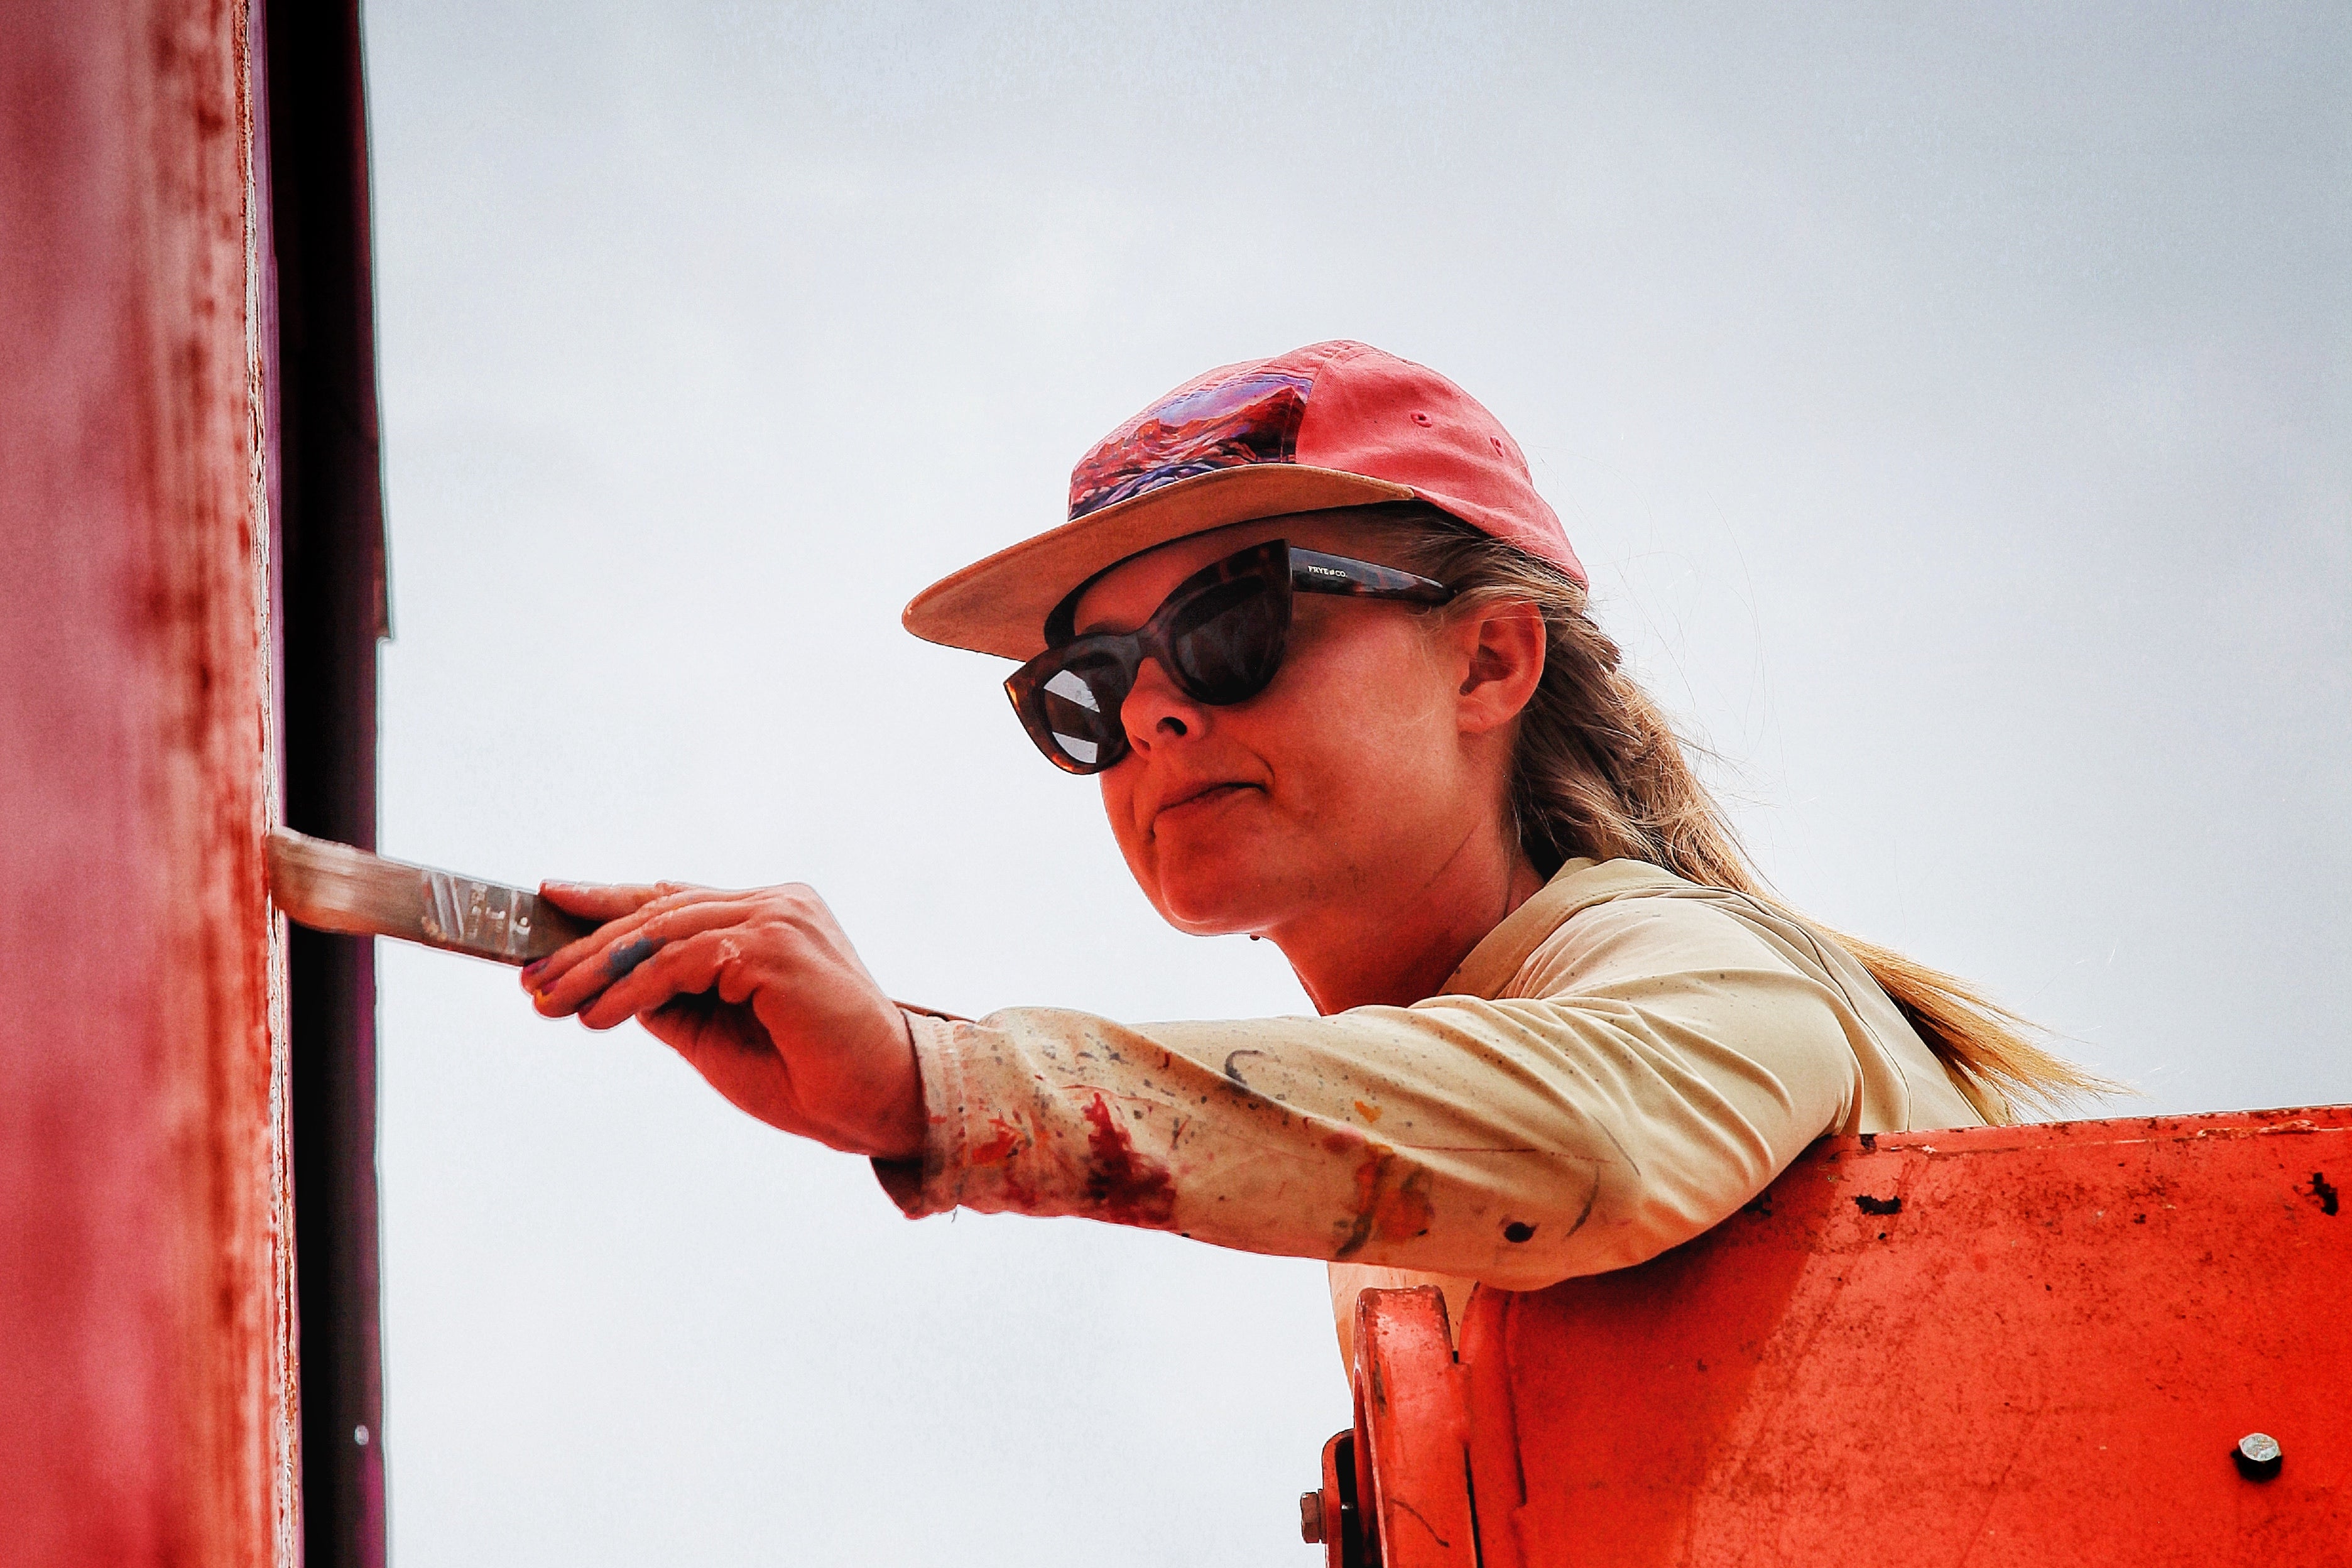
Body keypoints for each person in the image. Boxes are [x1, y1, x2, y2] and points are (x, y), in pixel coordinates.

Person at [521, 340, 2103, 1365]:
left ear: (1488, 663)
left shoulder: (1705, 974)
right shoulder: (1403, 1184)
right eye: (1084, 687)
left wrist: (941, 1085)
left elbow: (1592, 1147)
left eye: (1232, 627)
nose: (1149, 715)